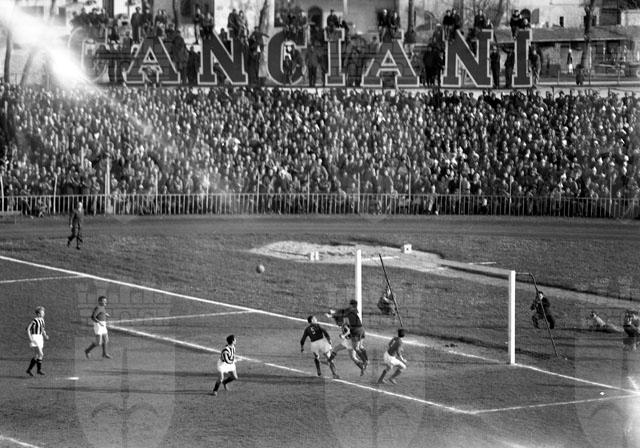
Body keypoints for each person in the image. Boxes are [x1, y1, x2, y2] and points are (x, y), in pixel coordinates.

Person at [328, 299, 368, 374]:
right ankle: (362, 367)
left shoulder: (346, 323)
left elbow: (349, 330)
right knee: (353, 357)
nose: (337, 324)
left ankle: (329, 361)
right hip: (349, 339)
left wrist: (343, 335)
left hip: (349, 340)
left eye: (338, 322)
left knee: (336, 349)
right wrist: (331, 315)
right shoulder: (344, 321)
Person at [26, 306, 49, 376]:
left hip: (40, 338)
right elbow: (28, 329)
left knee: (37, 355)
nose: (44, 313)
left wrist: (45, 335)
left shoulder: (42, 320)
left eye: (44, 312)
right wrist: (31, 338)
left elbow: (42, 329)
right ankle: (39, 370)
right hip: (35, 337)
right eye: (42, 312)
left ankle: (29, 370)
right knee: (41, 354)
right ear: (38, 314)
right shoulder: (35, 320)